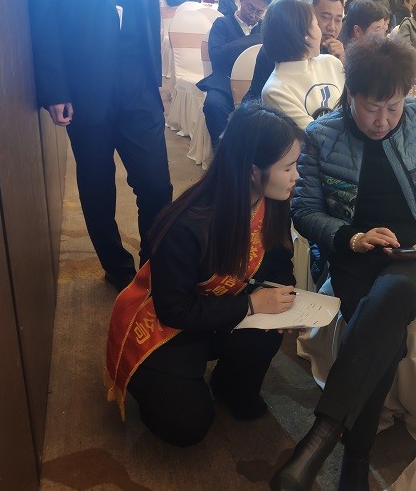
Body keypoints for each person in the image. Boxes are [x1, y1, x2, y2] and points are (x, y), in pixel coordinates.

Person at [272, 35, 416, 491]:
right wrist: (353, 237)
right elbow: (304, 211)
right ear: (351, 95)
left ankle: (321, 439)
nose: (382, 120)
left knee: (394, 292)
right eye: (371, 108)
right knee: (382, 324)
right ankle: (355, 457)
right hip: (357, 257)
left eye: (393, 107)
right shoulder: (323, 135)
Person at [105, 104, 303, 447]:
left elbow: (279, 260)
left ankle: (229, 387)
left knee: (267, 332)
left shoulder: (272, 202)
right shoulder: (186, 224)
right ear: (253, 171)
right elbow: (173, 309)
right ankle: (153, 383)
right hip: (165, 327)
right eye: (288, 167)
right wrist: (251, 306)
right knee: (188, 425)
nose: (296, 175)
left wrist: (287, 300)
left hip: (217, 310)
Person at [27, 0, 173, 291]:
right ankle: (117, 269)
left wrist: (153, 76)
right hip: (83, 79)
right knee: (97, 184)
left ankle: (152, 268)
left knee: (157, 186)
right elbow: (43, 11)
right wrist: (55, 87)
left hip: (138, 77)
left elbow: (148, 6)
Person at [198, 0, 272, 148]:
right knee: (213, 105)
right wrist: (254, 40)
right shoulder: (222, 23)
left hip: (256, 85)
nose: (253, 15)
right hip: (225, 82)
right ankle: (222, 151)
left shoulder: (264, 29)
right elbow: (216, 57)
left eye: (259, 12)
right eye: (250, 8)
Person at [243, 0, 346, 104]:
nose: (332, 27)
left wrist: (342, 63)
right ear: (308, 15)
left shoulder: (334, 53)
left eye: (338, 20)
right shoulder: (281, 51)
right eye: (325, 17)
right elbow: (262, 100)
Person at [261, 0, 345, 129]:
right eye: (316, 24)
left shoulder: (332, 62)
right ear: (303, 34)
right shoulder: (275, 90)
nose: (321, 31)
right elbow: (314, 135)